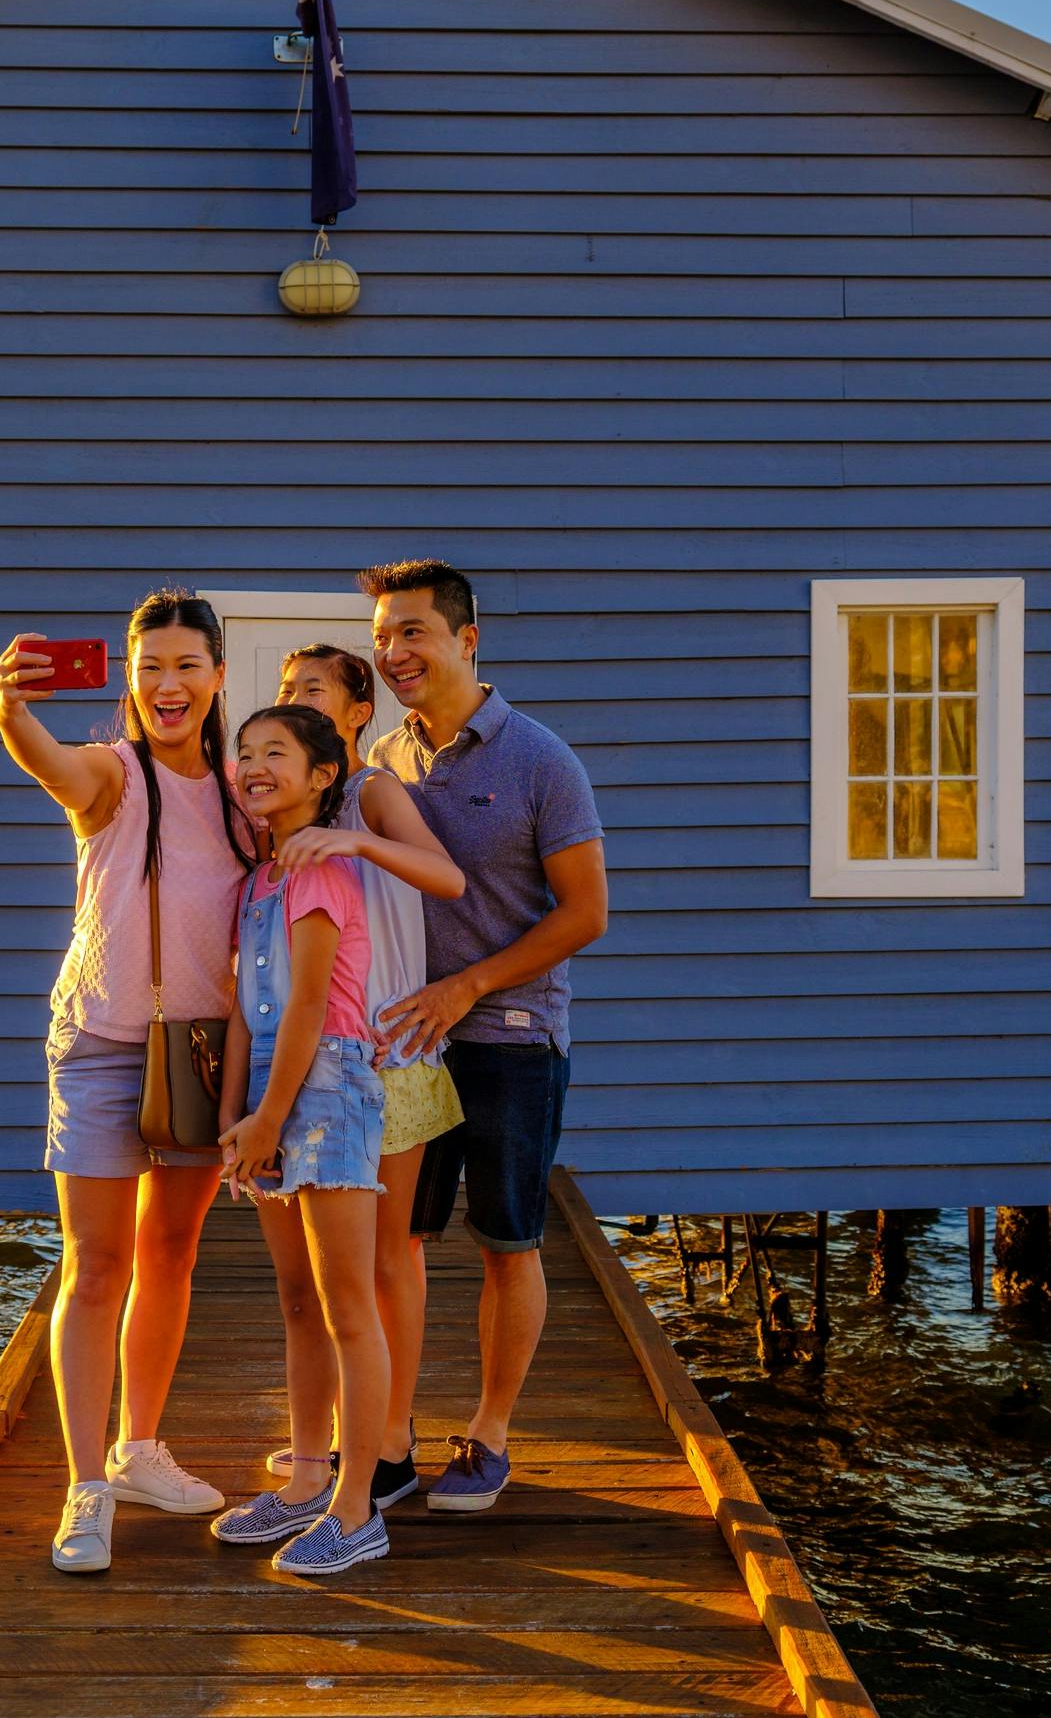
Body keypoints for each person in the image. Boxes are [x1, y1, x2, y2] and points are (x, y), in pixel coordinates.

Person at [0, 591, 248, 1575]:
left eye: (186, 665)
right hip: (102, 1048)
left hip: (197, 1056)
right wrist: (13, 709)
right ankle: (83, 1488)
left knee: (171, 1253)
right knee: (96, 1268)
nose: (167, 685)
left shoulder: (240, 794)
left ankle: (139, 1449)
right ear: (129, 679)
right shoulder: (113, 775)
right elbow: (47, 760)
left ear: (219, 675)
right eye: (150, 668)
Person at [358, 559, 609, 1514]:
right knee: (401, 1242)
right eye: (383, 636)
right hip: (412, 1039)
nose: (393, 652)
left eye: (412, 631)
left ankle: (491, 1432)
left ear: (469, 637)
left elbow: (585, 912)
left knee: (508, 1237)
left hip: (510, 1031)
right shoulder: (382, 760)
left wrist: (468, 985)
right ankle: (388, 1439)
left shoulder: (542, 759)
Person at [264, 645, 465, 1510]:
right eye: (284, 690)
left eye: (313, 689)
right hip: (327, 1059)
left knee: (391, 1259)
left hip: (390, 1050)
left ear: (356, 713)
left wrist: (352, 835)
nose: (293, 699)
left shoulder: (371, 791)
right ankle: (341, 1438)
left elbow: (447, 876)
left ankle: (389, 1443)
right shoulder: (288, 800)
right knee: (329, 1273)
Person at [206, 705, 397, 1575]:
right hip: (269, 1101)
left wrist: (271, 1117)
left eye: (273, 752)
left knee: (346, 1305)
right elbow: (248, 1010)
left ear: (323, 775)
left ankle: (357, 1507)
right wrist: (233, 1116)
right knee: (294, 1298)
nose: (251, 765)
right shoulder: (258, 881)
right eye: (243, 753)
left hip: (326, 1092)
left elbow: (314, 1007)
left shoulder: (320, 870)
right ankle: (306, 1478)